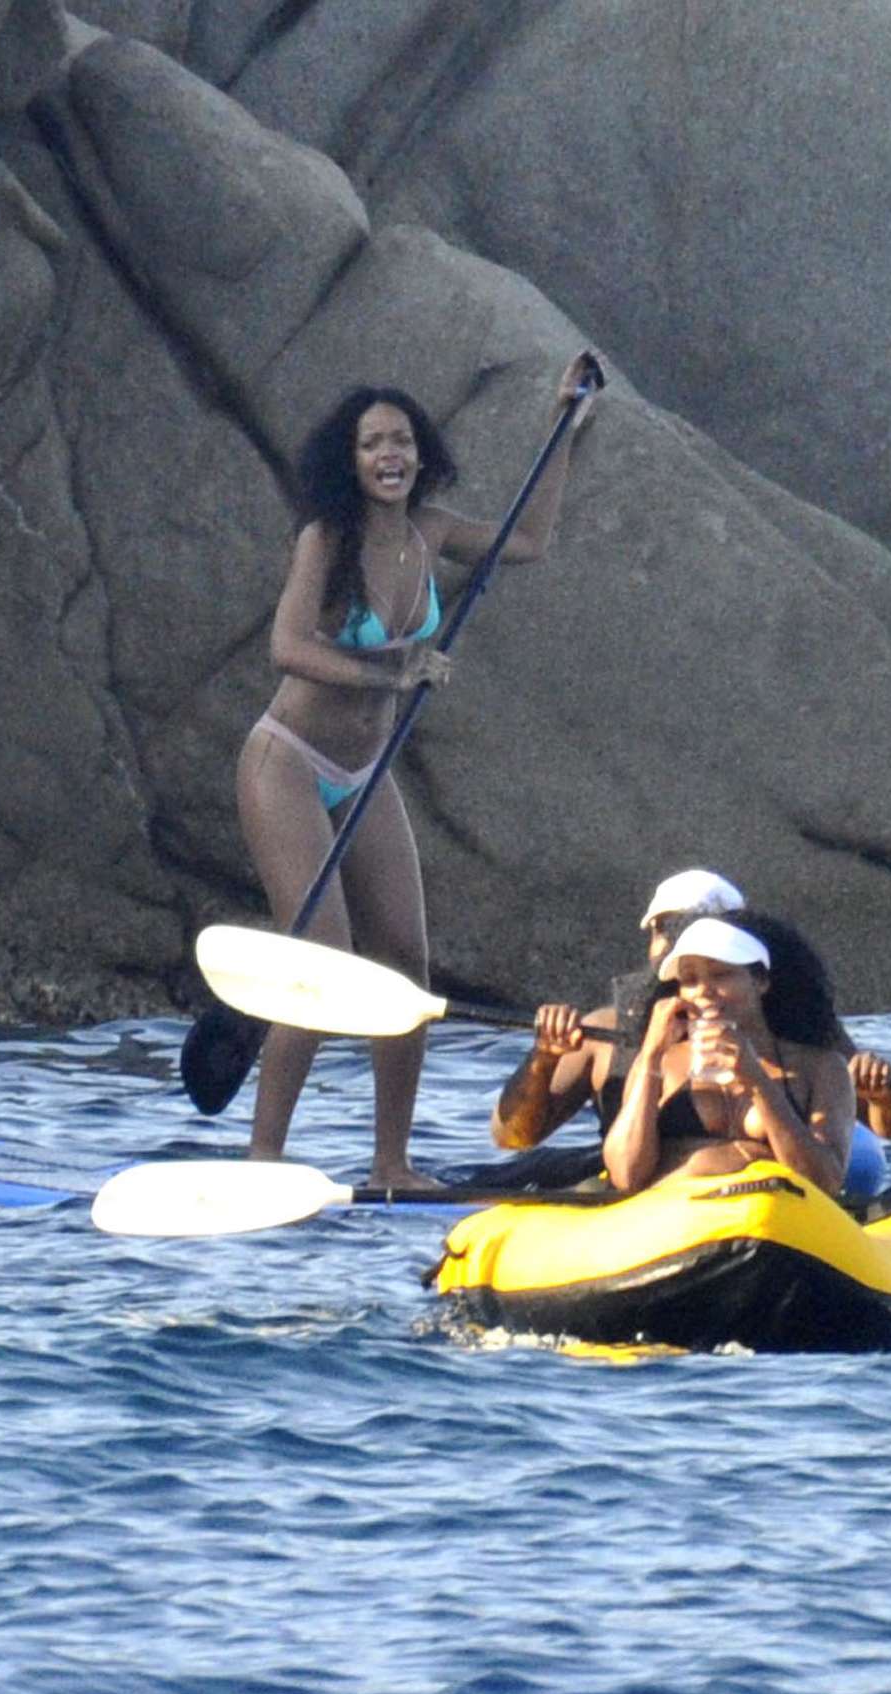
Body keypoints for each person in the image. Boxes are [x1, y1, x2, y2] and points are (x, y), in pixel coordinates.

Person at [237, 353, 600, 1177]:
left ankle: (391, 1163)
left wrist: (563, 427)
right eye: (372, 445)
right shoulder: (325, 538)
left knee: (405, 963)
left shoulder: (430, 532)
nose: (389, 455)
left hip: (368, 769)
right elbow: (286, 648)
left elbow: (530, 540)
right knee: (318, 960)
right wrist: (392, 672)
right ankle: (263, 1158)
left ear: (419, 452)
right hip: (287, 762)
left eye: (401, 440)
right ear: (352, 461)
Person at [490, 873, 891, 1168]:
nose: (674, 943)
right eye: (664, 930)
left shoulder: (803, 1030)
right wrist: (543, 1059)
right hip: (654, 1200)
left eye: (721, 969)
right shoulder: (604, 1029)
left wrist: (880, 1097)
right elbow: (512, 1137)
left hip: (778, 1208)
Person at [601, 912, 855, 1196]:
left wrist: (756, 1079)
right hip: (679, 1218)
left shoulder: (820, 1067)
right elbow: (626, 1175)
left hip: (777, 1217)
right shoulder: (661, 1062)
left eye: (721, 974)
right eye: (689, 980)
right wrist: (650, 1053)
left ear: (760, 982)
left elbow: (826, 1182)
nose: (704, 991)